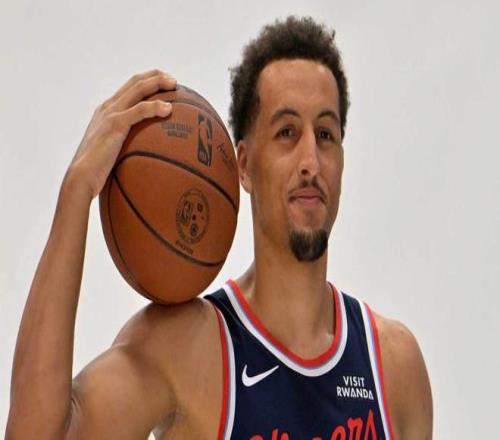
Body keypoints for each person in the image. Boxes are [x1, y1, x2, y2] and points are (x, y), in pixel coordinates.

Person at [6, 16, 432, 440]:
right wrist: (77, 190)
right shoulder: (186, 350)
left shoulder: (393, 367)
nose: (311, 162)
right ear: (243, 165)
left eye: (325, 134)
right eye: (286, 132)